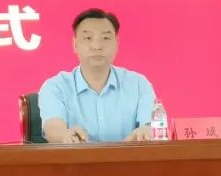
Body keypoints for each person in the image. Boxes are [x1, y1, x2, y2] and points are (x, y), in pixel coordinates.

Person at [38, 8, 157, 143]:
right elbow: (53, 129)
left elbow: (151, 126)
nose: (97, 46)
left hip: (129, 157)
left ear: (116, 43)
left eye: (105, 38)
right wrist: (65, 136)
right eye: (88, 38)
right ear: (75, 44)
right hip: (76, 157)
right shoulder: (55, 87)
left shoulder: (138, 84)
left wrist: (147, 132)